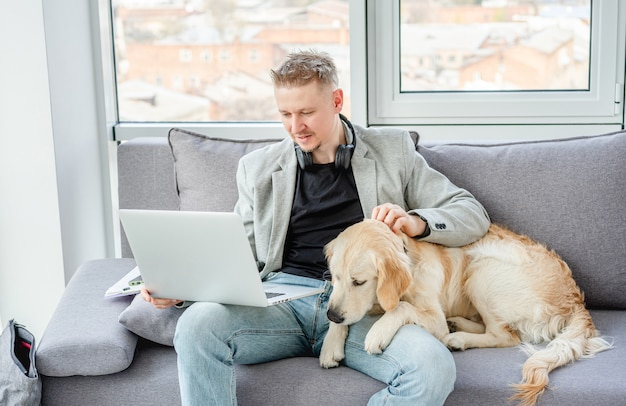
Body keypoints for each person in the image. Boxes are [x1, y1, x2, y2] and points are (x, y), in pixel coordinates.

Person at [142, 50, 491, 405]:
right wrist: (182, 287)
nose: (296, 127)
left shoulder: (393, 151)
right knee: (196, 326)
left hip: (366, 308)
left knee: (432, 367)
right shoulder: (257, 168)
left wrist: (415, 222)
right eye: (286, 114)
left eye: (307, 112)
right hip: (282, 302)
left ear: (337, 101)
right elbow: (239, 255)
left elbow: (471, 213)